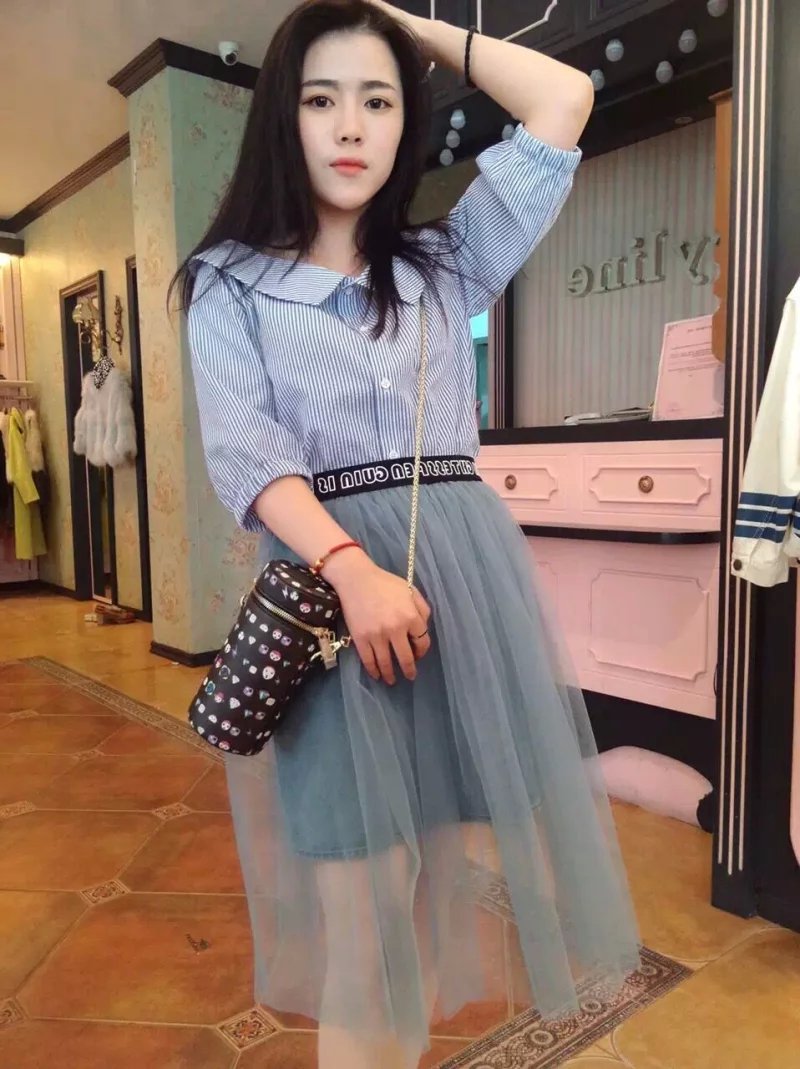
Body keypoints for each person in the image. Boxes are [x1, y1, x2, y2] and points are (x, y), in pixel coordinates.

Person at [175, 2, 640, 1066]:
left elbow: (563, 97)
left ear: (405, 121)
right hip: (334, 607)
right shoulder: (226, 281)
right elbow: (248, 453)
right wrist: (352, 570)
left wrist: (402, 26)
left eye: (377, 101)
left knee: (431, 884)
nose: (351, 125)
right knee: (365, 907)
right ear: (283, 118)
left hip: (458, 594)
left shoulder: (446, 262)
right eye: (321, 98)